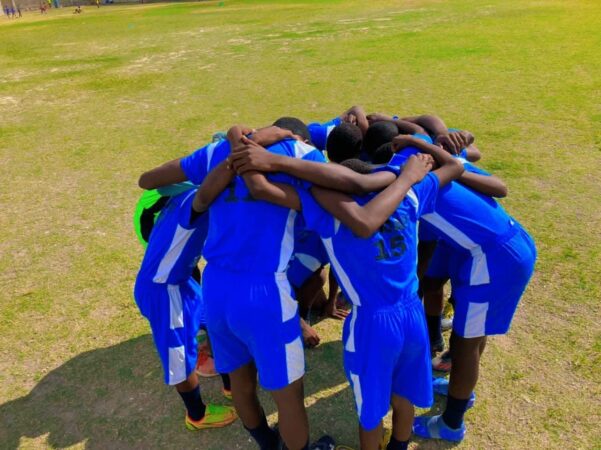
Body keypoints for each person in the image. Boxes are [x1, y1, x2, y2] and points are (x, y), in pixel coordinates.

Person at [228, 133, 464, 450]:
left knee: (370, 411)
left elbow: (260, 188)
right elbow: (454, 166)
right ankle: (399, 446)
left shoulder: (333, 214)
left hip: (371, 324)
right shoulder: (410, 194)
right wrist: (413, 142)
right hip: (412, 314)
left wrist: (243, 144)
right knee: (404, 394)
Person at [376, 137, 536, 443]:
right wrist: (411, 138)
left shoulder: (402, 182)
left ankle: (451, 423)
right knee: (471, 334)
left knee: (465, 343)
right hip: (505, 241)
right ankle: (458, 392)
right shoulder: (429, 158)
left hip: (493, 259)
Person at [133, 157, 237, 431]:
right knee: (179, 356)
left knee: (215, 323)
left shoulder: (187, 191)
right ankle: (197, 415)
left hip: (181, 282)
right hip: (163, 291)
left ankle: (231, 385)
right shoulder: (197, 201)